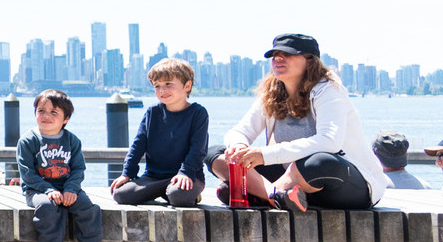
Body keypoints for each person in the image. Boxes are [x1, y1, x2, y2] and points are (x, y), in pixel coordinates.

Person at [207, 34, 386, 212]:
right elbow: (240, 131)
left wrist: (264, 154)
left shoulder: (329, 90)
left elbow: (329, 141)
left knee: (318, 162)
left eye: (287, 54)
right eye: (275, 54)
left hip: (342, 183)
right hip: (294, 186)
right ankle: (276, 196)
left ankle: (261, 195)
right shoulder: (271, 94)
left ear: (310, 61)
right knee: (216, 154)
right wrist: (239, 147)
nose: (278, 58)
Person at [110, 58, 208, 207]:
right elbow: (138, 145)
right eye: (157, 86)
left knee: (178, 196)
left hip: (188, 175)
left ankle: (176, 192)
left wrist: (185, 173)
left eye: (168, 84)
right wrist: (127, 173)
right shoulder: (152, 113)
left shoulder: (198, 113)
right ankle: (164, 190)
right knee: (121, 194)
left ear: (187, 86)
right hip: (153, 177)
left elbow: (198, 149)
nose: (162, 90)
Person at [17, 90, 103, 242]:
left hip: (67, 187)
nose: (46, 115)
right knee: (47, 206)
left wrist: (71, 189)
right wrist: (48, 190)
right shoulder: (27, 141)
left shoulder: (72, 140)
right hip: (37, 190)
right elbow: (28, 174)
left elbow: (78, 169)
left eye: (53, 112)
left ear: (66, 118)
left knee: (86, 206)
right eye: (41, 111)